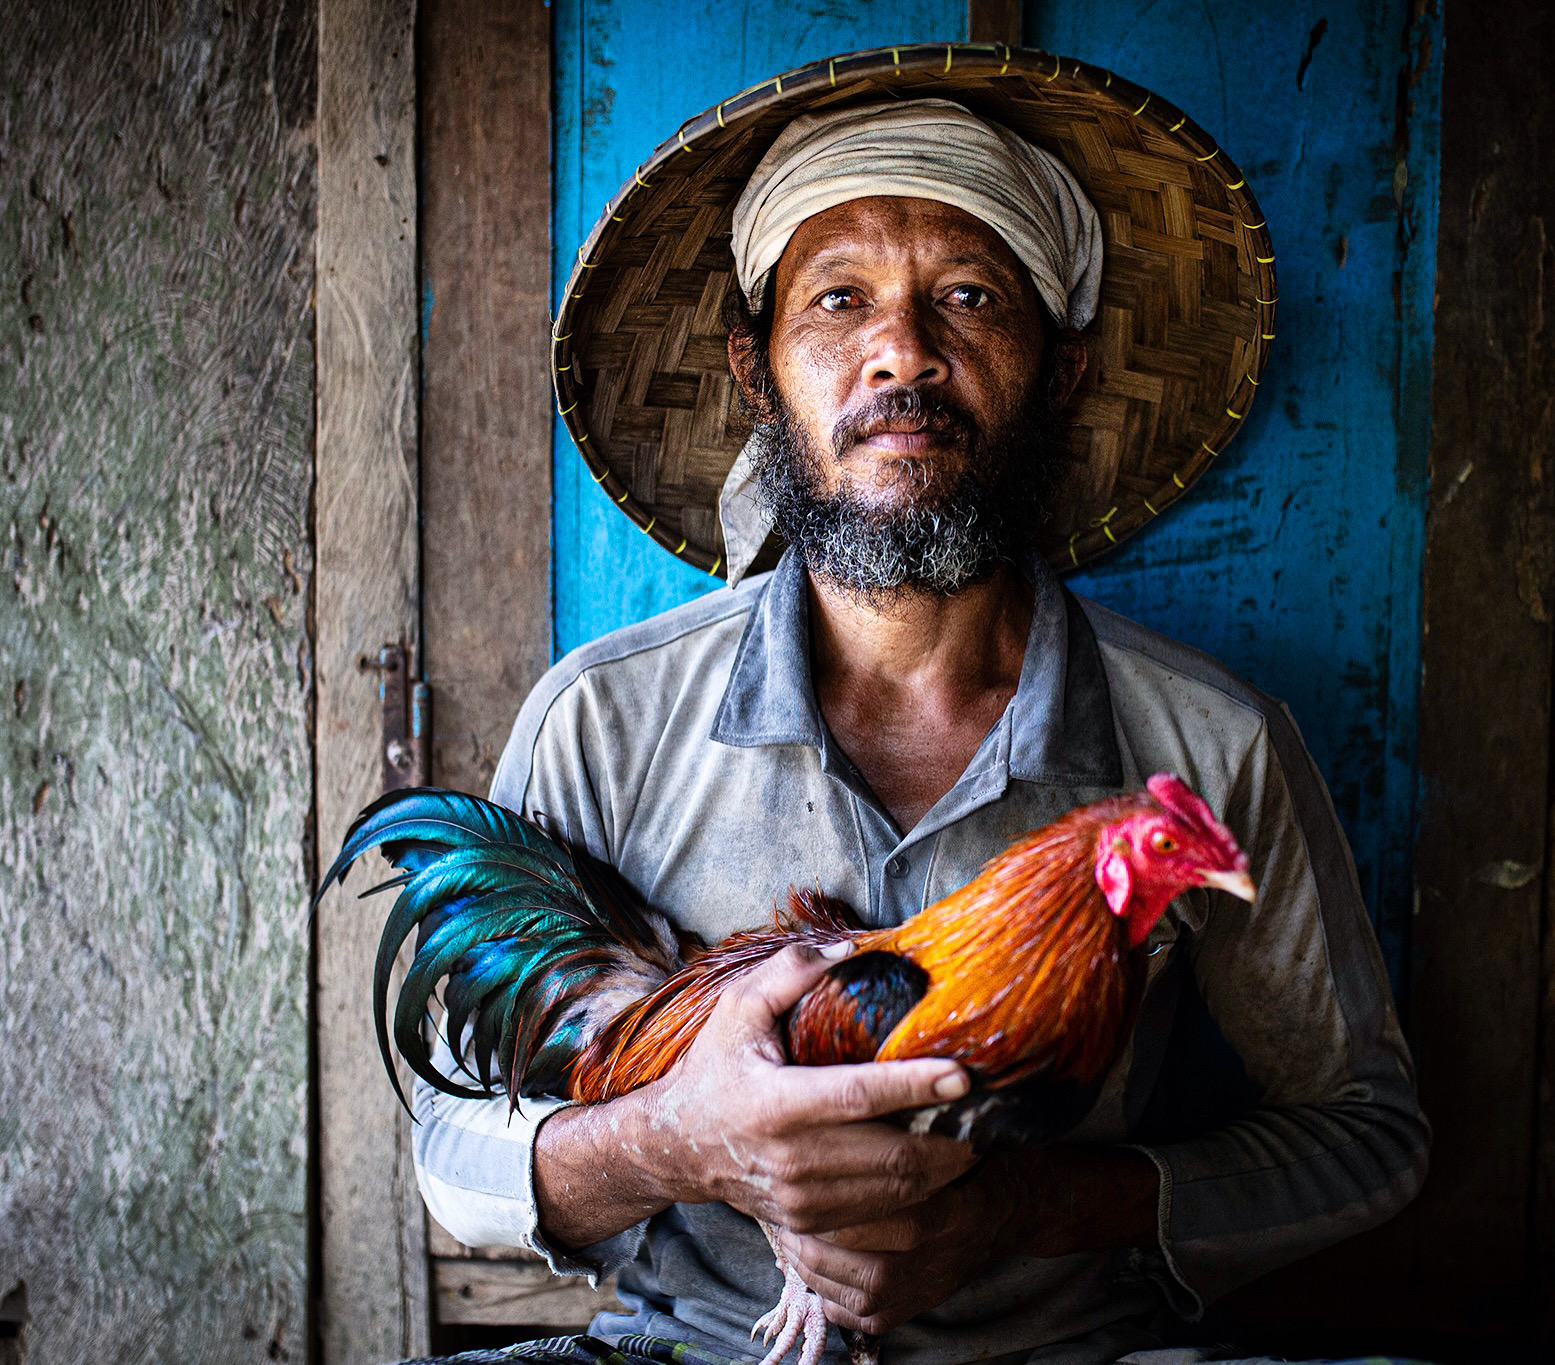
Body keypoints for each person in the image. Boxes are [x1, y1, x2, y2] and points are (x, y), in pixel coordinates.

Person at [414, 49, 1427, 1365]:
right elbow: (450, 1149)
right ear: (756, 371)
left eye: (967, 296)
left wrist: (1028, 1208)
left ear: (1059, 369)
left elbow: (1368, 1136)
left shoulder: (1207, 742)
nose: (904, 349)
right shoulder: (606, 718)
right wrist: (682, 1138)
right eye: (840, 301)